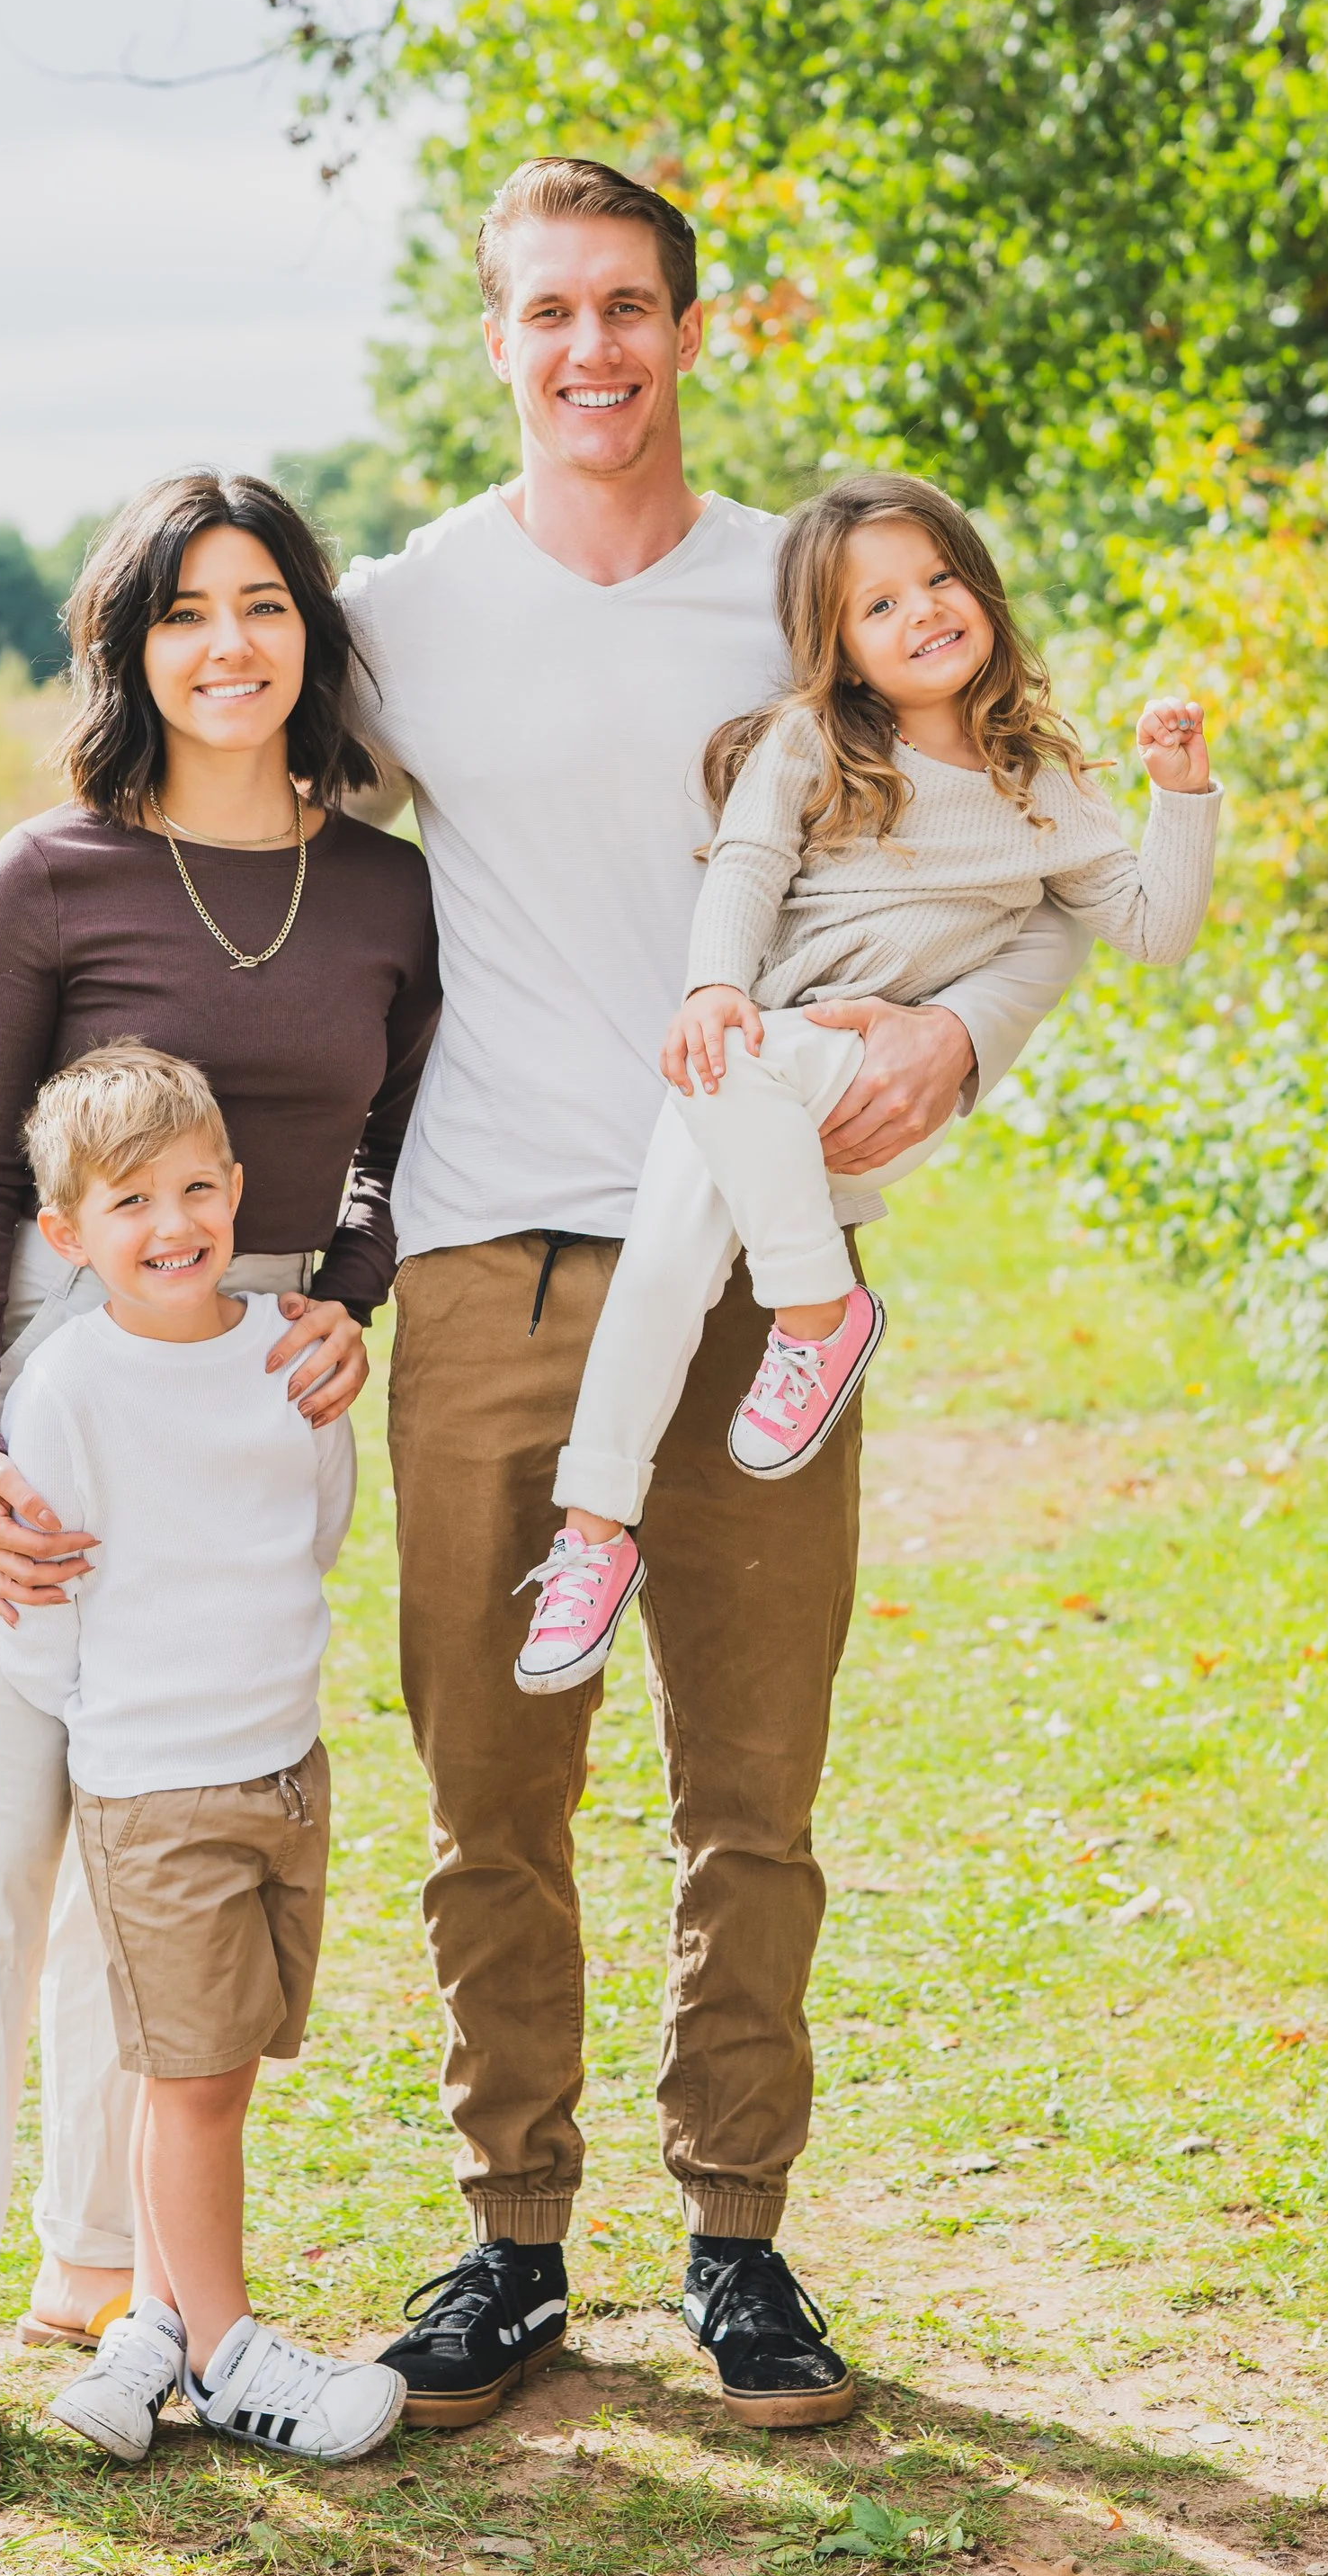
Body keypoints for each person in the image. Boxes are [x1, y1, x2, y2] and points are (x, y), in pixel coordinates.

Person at [0, 158, 1091, 2437]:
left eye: (628, 308)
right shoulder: (409, 610)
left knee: (752, 1784)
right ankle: (515, 2242)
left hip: (764, 1258)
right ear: (495, 342)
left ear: (685, 326)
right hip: (476, 1266)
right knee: (491, 1787)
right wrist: (45, 995)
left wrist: (973, 1033)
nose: (590, 351)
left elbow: (1031, 820)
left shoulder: (790, 586)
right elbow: (224, 788)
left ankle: (738, 2242)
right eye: (547, 313)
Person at [0, 472, 437, 2504]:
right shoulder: (49, 878)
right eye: (182, 612)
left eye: (262, 603)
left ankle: (115, 2282)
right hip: (48, 1359)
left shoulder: (380, 888)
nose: (226, 644)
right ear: (130, 652)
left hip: (262, 1377)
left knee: (171, 1820)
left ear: (309, 635)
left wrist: (350, 1297)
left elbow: (387, 1143)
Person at [517, 471, 1217, 1692]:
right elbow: (743, 865)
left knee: (737, 1071)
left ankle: (814, 1312)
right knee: (664, 1268)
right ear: (838, 650)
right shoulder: (815, 745)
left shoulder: (1037, 780)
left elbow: (1152, 929)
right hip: (760, 1080)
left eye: (939, 579)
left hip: (865, 1086)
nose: (923, 612)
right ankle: (593, 1530)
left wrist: (1183, 795)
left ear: (979, 585)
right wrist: (714, 988)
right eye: (879, 605)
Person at [0, 1042, 407, 2467]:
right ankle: (230, 2356)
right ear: (67, 1236)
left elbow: (317, 1521)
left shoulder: (284, 1348)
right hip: (159, 1786)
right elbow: (44, 1604)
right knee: (194, 2081)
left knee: (229, 2055)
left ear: (236, 1189)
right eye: (129, 1204)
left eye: (195, 1188)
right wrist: (119, 1728)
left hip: (284, 1762)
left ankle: (149, 2332)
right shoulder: (71, 1388)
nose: (173, 1226)